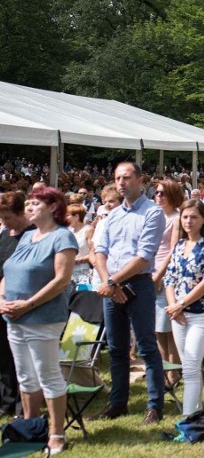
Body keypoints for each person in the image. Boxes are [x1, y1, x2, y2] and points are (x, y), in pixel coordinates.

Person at [0, 187, 76, 454]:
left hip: (42, 319)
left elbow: (61, 280)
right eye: (28, 203)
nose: (28, 208)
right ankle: (31, 428)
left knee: (48, 376)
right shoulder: (27, 236)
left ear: (53, 207)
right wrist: (2, 300)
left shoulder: (63, 237)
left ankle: (56, 434)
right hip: (14, 319)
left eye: (35, 203)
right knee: (25, 377)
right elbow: (8, 272)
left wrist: (28, 304)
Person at [94, 162, 166, 425]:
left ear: (140, 180)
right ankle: (117, 403)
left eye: (126, 177)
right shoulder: (112, 215)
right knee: (116, 349)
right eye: (117, 178)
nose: (122, 183)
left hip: (139, 284)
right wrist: (109, 283)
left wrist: (112, 281)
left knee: (146, 346)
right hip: (112, 287)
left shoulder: (152, 213)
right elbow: (99, 250)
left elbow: (145, 255)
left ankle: (155, 405)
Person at [164, 200, 204, 415]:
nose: (188, 221)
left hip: (201, 313)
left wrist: (181, 304)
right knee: (190, 364)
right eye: (185, 217)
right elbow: (169, 278)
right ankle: (197, 409)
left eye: (193, 217)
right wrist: (173, 306)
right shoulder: (179, 245)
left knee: (190, 366)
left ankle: (188, 416)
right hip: (178, 315)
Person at [0, 191, 32, 417]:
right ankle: (6, 401)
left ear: (21, 212)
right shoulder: (3, 235)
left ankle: (25, 404)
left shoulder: (33, 235)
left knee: (22, 359)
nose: (4, 222)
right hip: (1, 303)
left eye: (8, 217)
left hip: (23, 304)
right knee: (3, 357)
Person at [151, 179, 183, 389]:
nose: (158, 196)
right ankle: (164, 372)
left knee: (167, 328)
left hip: (167, 275)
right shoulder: (154, 216)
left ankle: (173, 372)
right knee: (157, 329)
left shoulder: (177, 218)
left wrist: (159, 275)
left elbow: (173, 249)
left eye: (162, 193)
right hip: (149, 273)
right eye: (156, 193)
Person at [66, 203, 93, 287]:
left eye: (67, 215)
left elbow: (94, 252)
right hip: (68, 273)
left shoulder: (88, 230)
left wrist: (78, 260)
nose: (65, 218)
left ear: (76, 217)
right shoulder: (67, 231)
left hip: (83, 272)